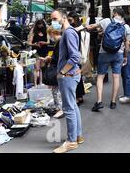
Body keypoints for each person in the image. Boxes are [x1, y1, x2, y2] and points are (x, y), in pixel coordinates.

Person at [51, 9, 83, 153]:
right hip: (71, 75)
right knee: (73, 106)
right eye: (51, 19)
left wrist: (63, 72)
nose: (53, 21)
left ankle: (71, 141)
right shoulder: (68, 32)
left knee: (69, 108)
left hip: (68, 76)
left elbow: (75, 56)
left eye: (55, 18)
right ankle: (77, 136)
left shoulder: (69, 32)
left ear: (64, 18)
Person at [87, 8, 130, 111]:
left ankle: (99, 102)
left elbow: (92, 27)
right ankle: (113, 102)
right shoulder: (126, 27)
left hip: (104, 52)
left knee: (100, 77)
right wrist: (125, 56)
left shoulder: (106, 21)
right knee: (116, 77)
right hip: (118, 54)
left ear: (115, 13)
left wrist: (83, 27)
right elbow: (127, 44)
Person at [41, 26, 64, 119]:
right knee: (57, 90)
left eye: (49, 34)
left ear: (52, 33)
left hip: (58, 69)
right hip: (60, 68)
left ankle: (60, 109)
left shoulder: (59, 42)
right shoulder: (60, 41)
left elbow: (58, 57)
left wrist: (48, 59)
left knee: (56, 90)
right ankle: (58, 107)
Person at [67, 12, 86, 106]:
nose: (69, 22)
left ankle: (78, 97)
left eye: (70, 20)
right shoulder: (79, 29)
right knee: (78, 76)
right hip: (78, 55)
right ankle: (79, 96)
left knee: (76, 76)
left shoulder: (75, 30)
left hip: (76, 56)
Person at [119, 16, 130, 104]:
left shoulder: (128, 29)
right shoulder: (122, 28)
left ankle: (129, 95)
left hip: (127, 53)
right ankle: (126, 94)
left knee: (127, 73)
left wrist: (126, 54)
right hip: (123, 53)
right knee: (124, 74)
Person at [28, 19, 50, 86]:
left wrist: (44, 43)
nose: (40, 26)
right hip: (35, 51)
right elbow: (29, 43)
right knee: (36, 68)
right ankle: (35, 83)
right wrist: (35, 44)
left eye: (41, 24)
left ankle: (40, 82)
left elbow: (48, 42)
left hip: (43, 50)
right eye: (39, 24)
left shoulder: (46, 32)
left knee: (41, 68)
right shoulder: (33, 32)